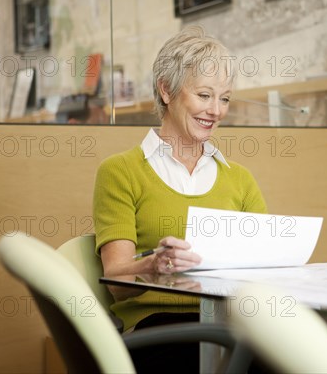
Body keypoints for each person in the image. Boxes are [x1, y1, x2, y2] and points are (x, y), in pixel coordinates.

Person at [92, 25, 267, 372]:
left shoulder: (240, 179)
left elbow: (264, 269)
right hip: (159, 329)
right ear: (167, 90)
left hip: (233, 323)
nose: (216, 110)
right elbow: (116, 283)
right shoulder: (121, 171)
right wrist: (152, 266)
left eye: (225, 98)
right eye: (204, 95)